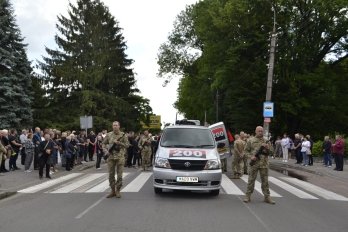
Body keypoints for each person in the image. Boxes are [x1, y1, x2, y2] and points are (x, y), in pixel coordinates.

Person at [243, 126, 275, 204]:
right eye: (259, 131)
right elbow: (245, 151)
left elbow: (271, 153)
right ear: (255, 131)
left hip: (264, 164)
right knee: (251, 180)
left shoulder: (266, 141)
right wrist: (251, 157)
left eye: (261, 131)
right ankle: (248, 195)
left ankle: (267, 197)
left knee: (265, 181)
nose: (260, 132)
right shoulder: (251, 140)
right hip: (254, 164)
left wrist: (267, 148)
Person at [102, 121, 129, 198]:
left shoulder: (123, 135)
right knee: (111, 175)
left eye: (116, 125)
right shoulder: (109, 134)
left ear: (119, 126)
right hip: (110, 157)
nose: (115, 127)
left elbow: (127, 145)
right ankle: (112, 190)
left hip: (120, 157)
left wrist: (119, 143)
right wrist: (106, 151)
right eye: (114, 125)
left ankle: (118, 190)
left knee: (119, 175)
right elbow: (103, 143)